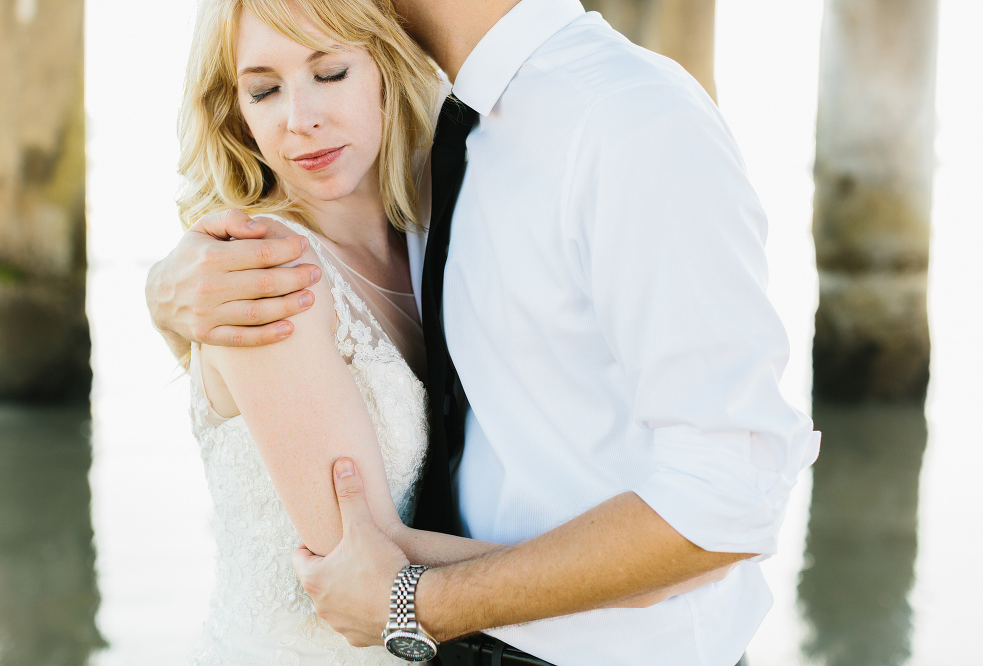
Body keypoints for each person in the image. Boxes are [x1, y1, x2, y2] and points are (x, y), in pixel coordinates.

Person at [147, 0, 821, 664]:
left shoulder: (613, 121)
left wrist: (660, 562)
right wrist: (646, 577)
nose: (303, 117)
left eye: (331, 73)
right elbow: (362, 553)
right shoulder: (446, 155)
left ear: (378, 65)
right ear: (234, 109)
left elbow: (728, 490)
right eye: (263, 90)